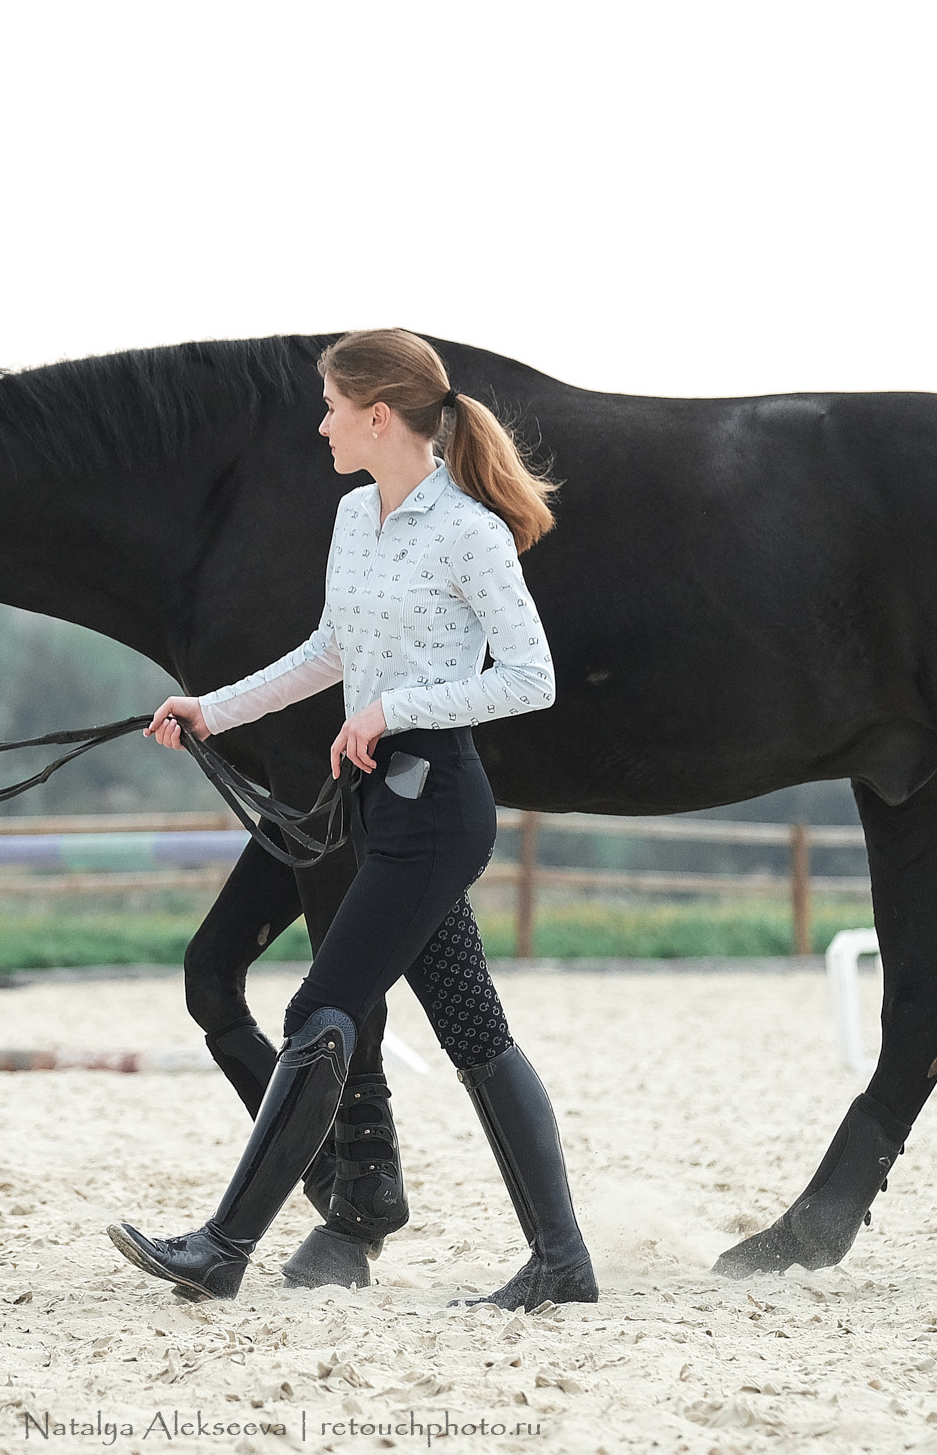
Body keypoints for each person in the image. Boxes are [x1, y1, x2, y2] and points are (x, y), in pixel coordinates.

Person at [106, 328, 596, 1309]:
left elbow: (532, 680)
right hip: (380, 805)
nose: (320, 422)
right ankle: (562, 1263)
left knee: (315, 1012)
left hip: (438, 804)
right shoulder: (352, 515)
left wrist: (396, 709)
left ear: (379, 415)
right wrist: (215, 707)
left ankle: (224, 1247)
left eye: (332, 406)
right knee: (474, 1033)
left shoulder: (470, 532)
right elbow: (330, 650)